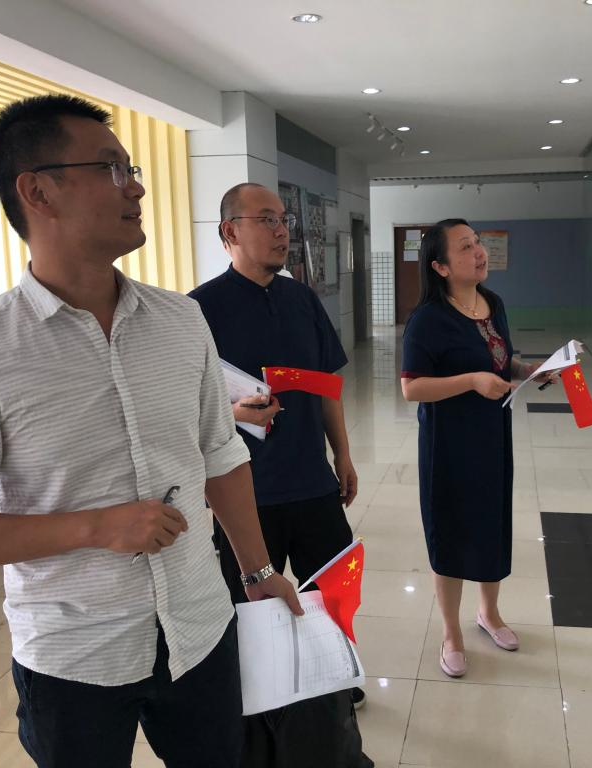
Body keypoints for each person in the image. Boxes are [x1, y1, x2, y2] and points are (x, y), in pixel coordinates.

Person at [0, 95, 300, 768]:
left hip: (201, 627)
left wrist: (257, 572)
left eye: (132, 169)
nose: (136, 187)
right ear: (38, 192)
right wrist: (96, 526)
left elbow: (219, 452)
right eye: (112, 169)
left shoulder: (181, 322)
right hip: (74, 657)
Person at [189, 183, 371, 766]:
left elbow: (326, 387)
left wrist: (342, 455)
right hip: (244, 495)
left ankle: (334, 685)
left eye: (283, 219)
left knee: (333, 594)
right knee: (247, 609)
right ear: (229, 232)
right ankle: (260, 710)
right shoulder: (197, 311)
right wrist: (235, 414)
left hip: (312, 484)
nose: (280, 230)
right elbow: (185, 407)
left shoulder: (303, 300)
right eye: (265, 219)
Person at [400, 218, 552, 678]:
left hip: (492, 436)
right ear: (441, 266)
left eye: (478, 243)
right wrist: (470, 381)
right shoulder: (427, 319)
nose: (479, 252)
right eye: (465, 247)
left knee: (490, 523)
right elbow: (411, 388)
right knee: (449, 530)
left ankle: (489, 613)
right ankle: (452, 633)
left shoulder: (494, 303)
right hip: (448, 445)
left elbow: (501, 361)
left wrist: (529, 370)